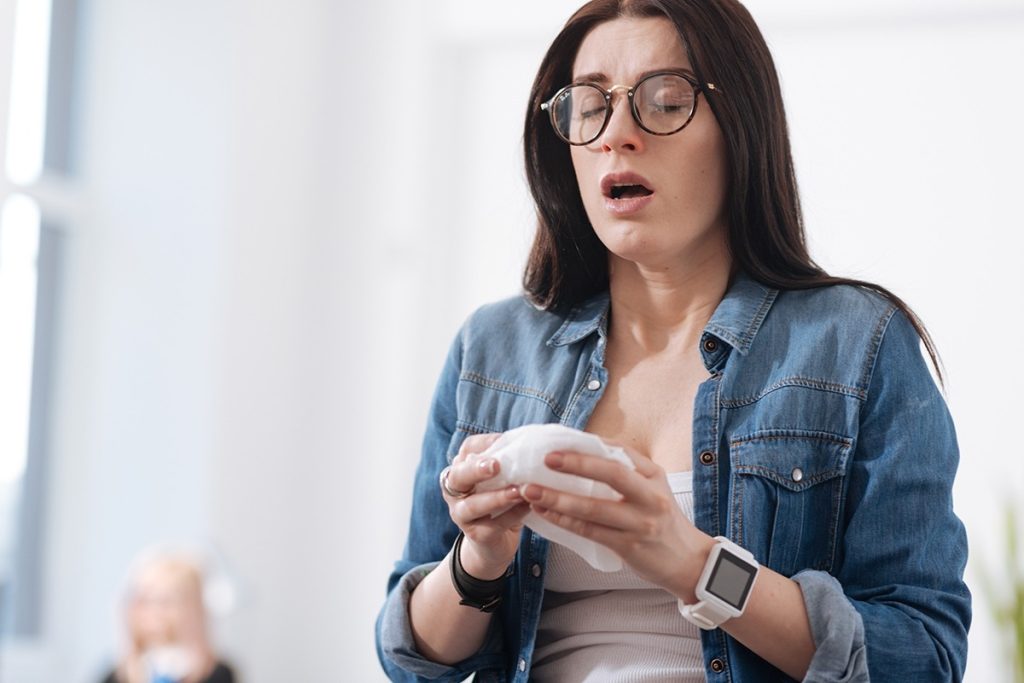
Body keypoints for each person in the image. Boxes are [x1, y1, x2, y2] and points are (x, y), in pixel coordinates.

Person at [375, 0, 971, 680]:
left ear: (740, 126)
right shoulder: (492, 349)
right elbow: (411, 660)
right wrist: (478, 558)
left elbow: (923, 655)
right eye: (590, 106)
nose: (616, 134)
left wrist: (694, 563)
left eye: (664, 102)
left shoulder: (856, 343)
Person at [101, 549, 236, 683]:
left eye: (165, 601)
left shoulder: (218, 674)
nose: (154, 611)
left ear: (192, 610)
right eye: (146, 599)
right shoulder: (118, 676)